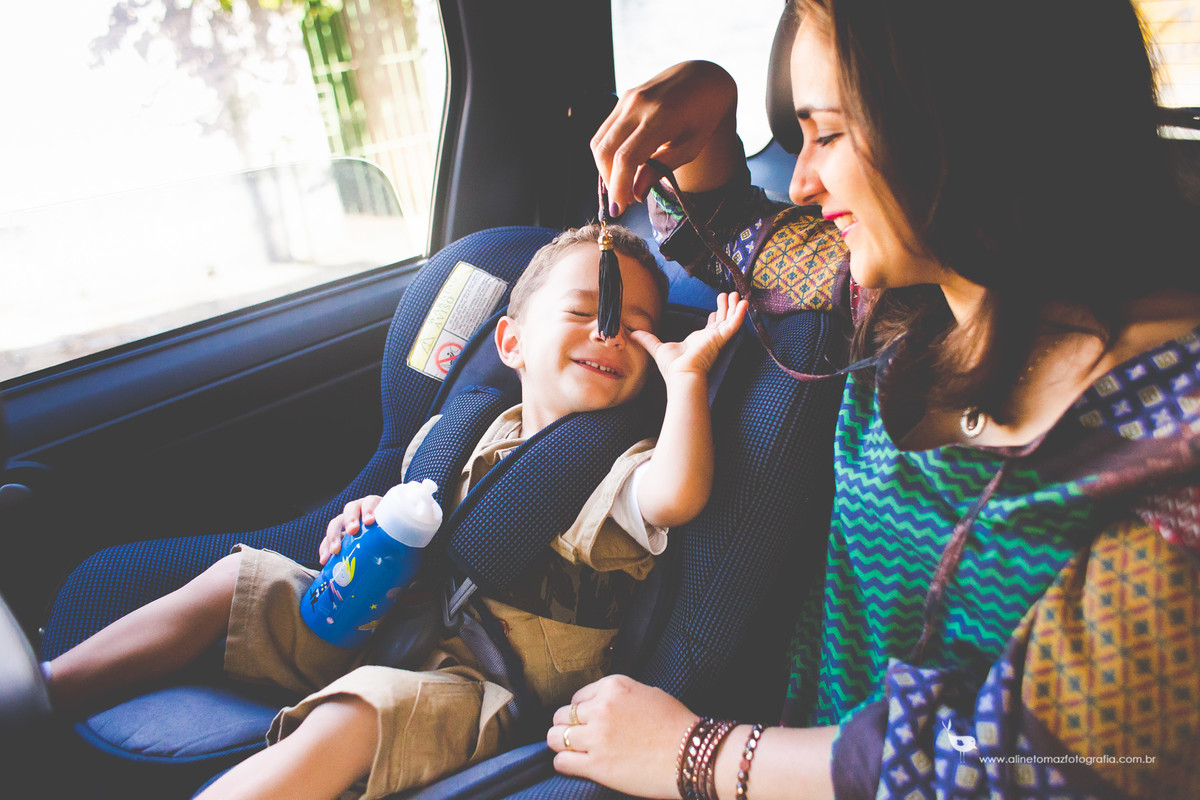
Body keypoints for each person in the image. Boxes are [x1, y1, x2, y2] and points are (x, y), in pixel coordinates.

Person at [545, 1, 1200, 798]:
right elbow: (723, 231)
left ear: (966, 114)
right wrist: (711, 106)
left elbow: (1030, 763)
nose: (800, 180)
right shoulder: (902, 304)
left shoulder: (1175, 460)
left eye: (827, 132)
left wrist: (695, 755)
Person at [43, 223, 748, 800]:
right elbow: (417, 509)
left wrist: (686, 381)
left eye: (637, 326)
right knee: (242, 580)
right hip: (378, 617)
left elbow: (676, 495)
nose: (609, 333)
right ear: (511, 344)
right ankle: (44, 696)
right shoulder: (466, 429)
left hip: (475, 689)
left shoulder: (620, 469)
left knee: (353, 716)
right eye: (584, 311)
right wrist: (364, 519)